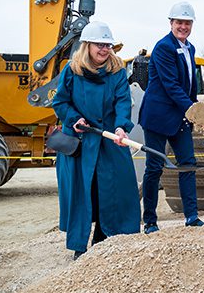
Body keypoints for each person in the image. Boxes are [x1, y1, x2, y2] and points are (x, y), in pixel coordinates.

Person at [53, 21, 140, 260]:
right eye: (100, 45)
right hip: (81, 142)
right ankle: (79, 246)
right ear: (87, 45)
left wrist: (122, 126)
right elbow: (60, 102)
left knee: (112, 190)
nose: (105, 49)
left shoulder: (117, 72)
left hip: (110, 140)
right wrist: (74, 119)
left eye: (108, 45)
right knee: (83, 192)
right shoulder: (71, 71)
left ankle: (106, 240)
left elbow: (123, 102)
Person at [139, 2, 203, 233]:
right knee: (154, 168)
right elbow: (171, 86)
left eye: (187, 23)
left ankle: (192, 216)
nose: (183, 27)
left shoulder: (190, 48)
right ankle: (150, 221)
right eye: (179, 23)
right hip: (158, 117)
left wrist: (194, 107)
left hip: (181, 117)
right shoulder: (163, 47)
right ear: (171, 23)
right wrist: (194, 111)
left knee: (188, 164)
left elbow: (190, 85)